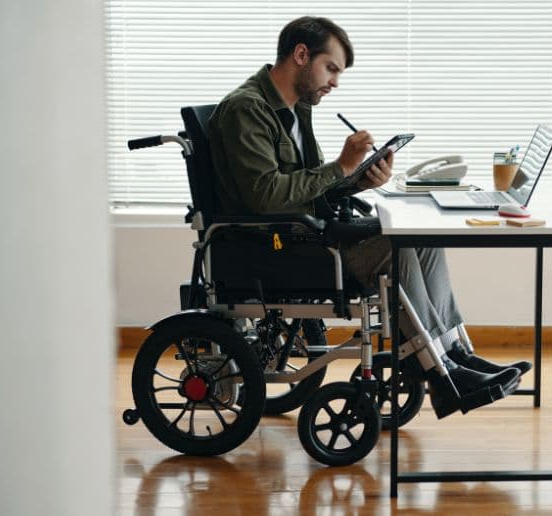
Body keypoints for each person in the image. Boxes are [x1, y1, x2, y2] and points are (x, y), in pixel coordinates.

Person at [208, 16, 531, 418]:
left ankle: (456, 356)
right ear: (302, 55)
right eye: (332, 69)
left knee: (423, 240)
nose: (335, 82)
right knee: (392, 251)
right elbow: (266, 197)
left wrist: (355, 182)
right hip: (274, 248)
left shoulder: (293, 109)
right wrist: (340, 167)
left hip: (300, 233)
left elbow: (305, 190)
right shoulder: (248, 109)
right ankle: (438, 372)